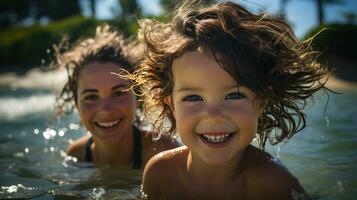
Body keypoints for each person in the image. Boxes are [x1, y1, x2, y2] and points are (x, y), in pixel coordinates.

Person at [130, 1, 330, 199]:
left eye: (234, 95)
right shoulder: (160, 174)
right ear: (171, 105)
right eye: (193, 97)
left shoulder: (272, 184)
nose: (214, 116)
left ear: (261, 101)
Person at [52, 25, 179, 169]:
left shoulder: (165, 153)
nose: (105, 109)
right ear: (77, 105)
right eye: (91, 97)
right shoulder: (77, 155)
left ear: (138, 98)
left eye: (118, 93)